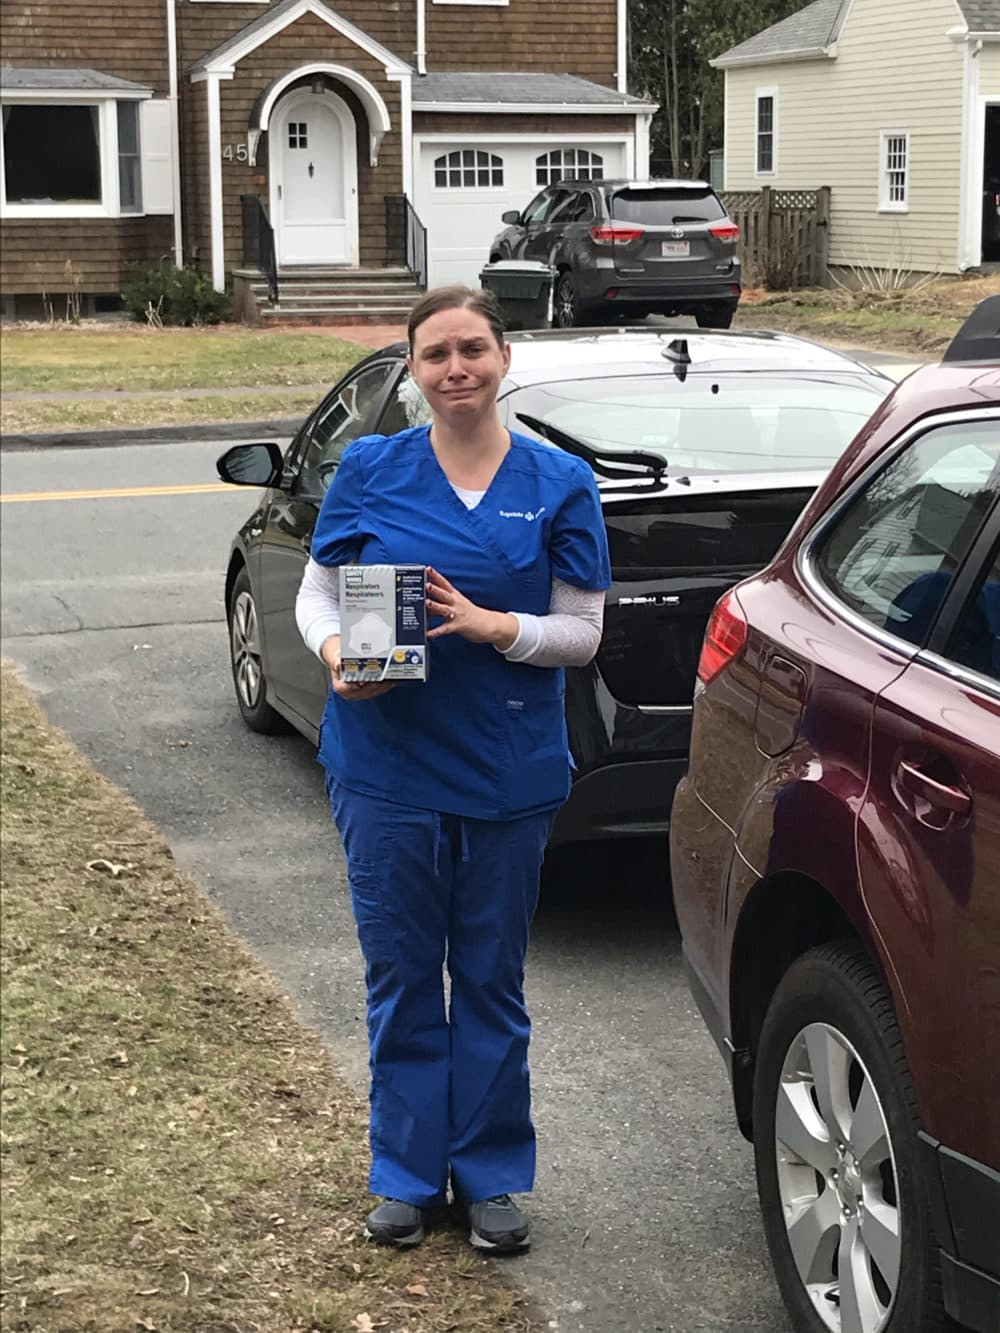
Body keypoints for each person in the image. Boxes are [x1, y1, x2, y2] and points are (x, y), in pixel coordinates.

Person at [295, 285, 611, 1253]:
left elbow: (583, 633)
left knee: (488, 980)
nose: (455, 369)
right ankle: (402, 1173)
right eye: (435, 355)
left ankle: (489, 1177)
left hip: (507, 773)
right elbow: (317, 594)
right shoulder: (370, 469)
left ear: (504, 358)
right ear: (414, 371)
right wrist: (332, 656)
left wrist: (492, 627)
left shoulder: (559, 483)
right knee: (399, 975)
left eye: (472, 348)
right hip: (386, 767)